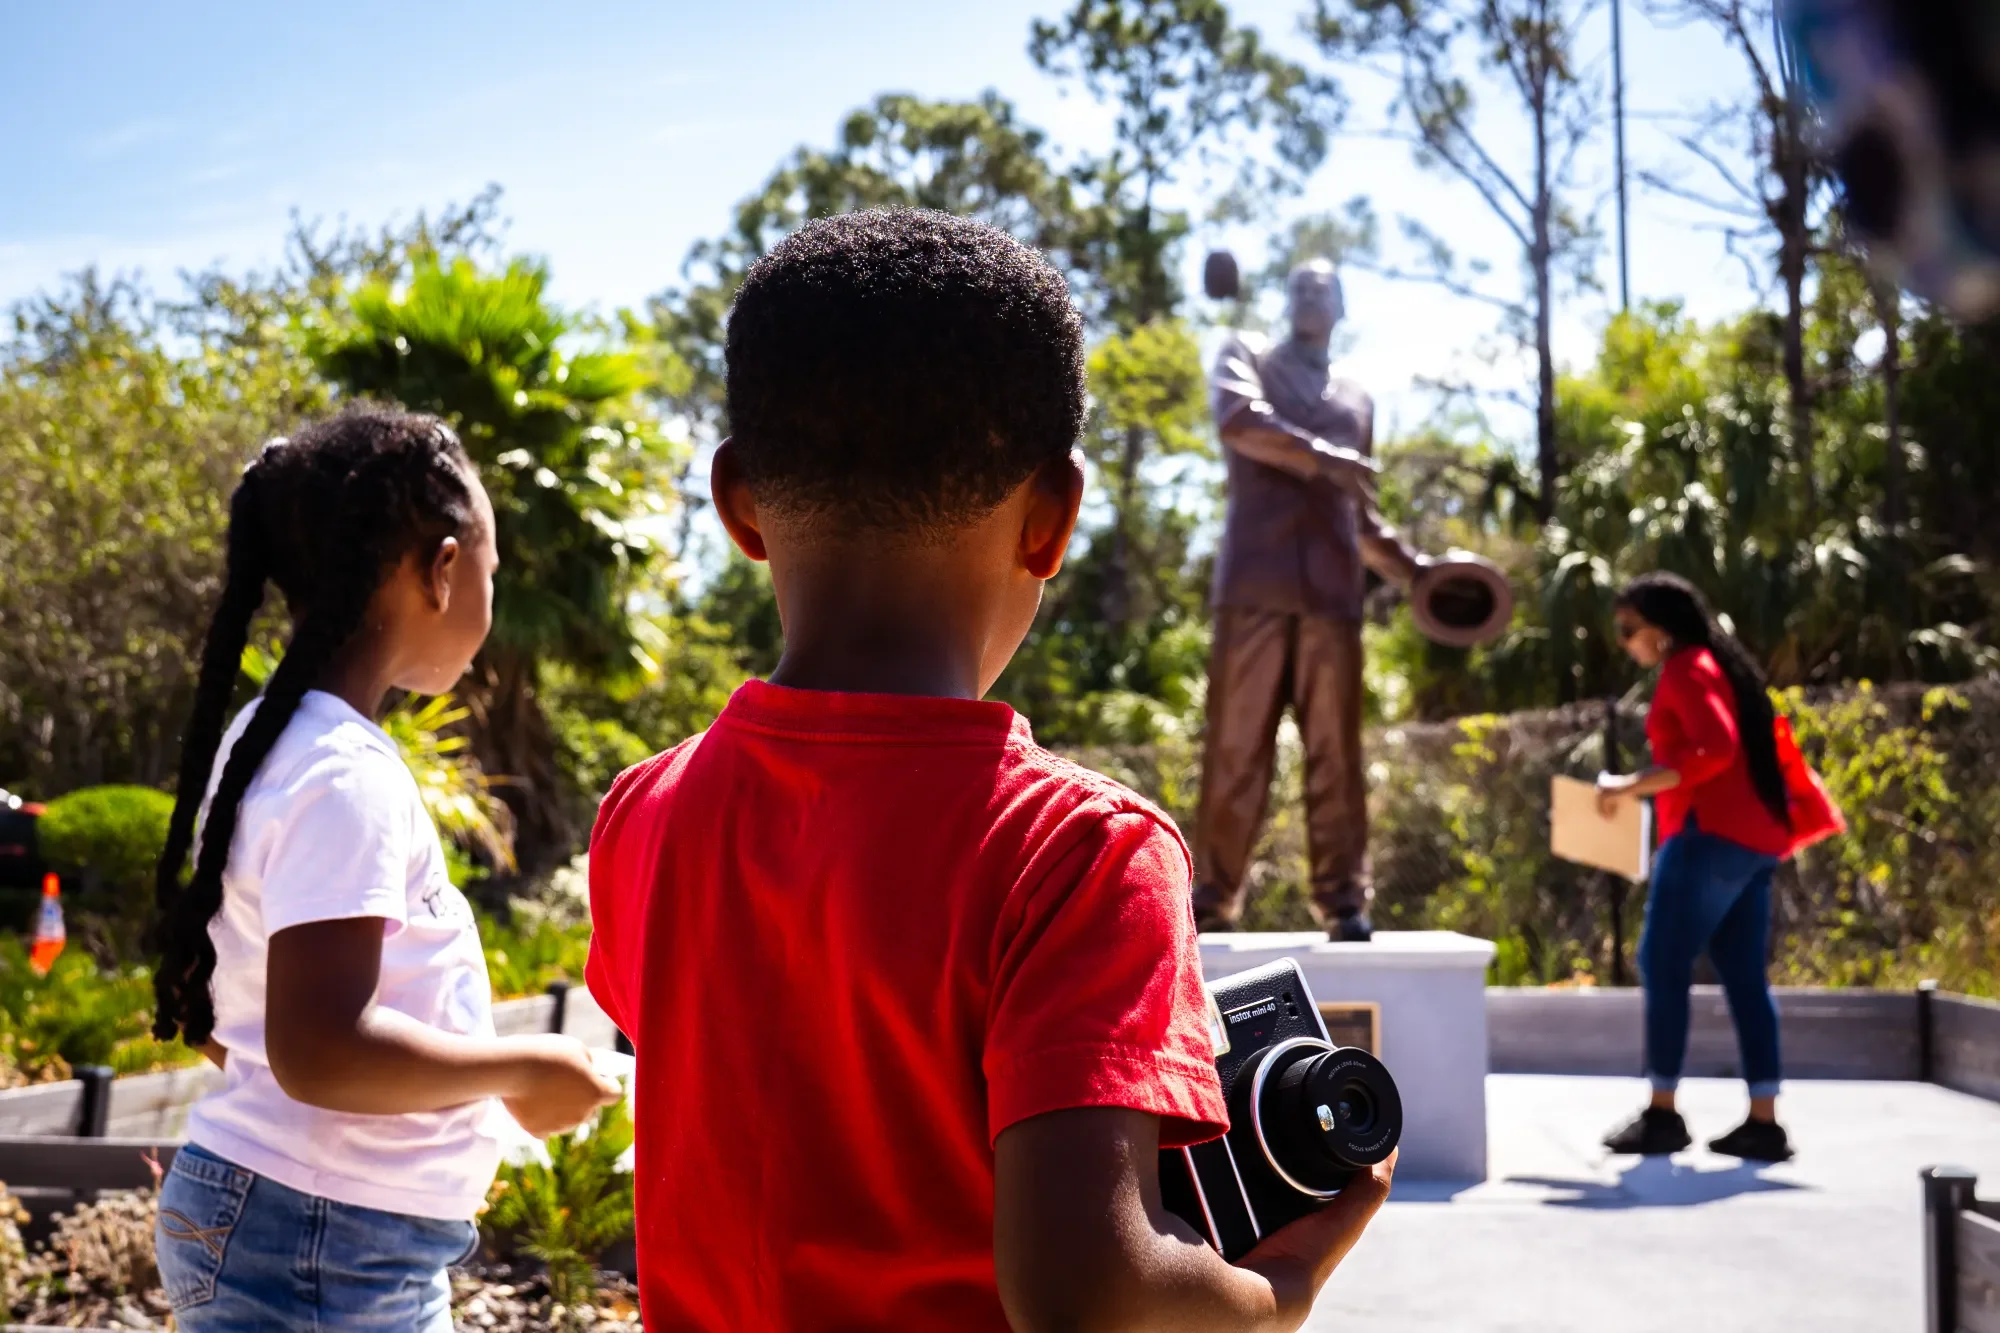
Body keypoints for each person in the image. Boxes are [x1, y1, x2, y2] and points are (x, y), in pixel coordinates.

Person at [586, 211, 1394, 1333]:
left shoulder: (641, 814)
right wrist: (1279, 1291)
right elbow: (1088, 1290)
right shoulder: (1081, 855)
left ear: (737, 509)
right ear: (1052, 520)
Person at [149, 407, 623, 1331]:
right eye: (494, 565)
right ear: (442, 570)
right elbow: (321, 1047)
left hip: (309, 1223)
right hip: (323, 1239)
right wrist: (522, 1067)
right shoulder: (342, 773)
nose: (495, 587)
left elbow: (247, 1022)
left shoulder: (274, 744)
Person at [1194, 259, 1433, 942]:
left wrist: (1417, 572)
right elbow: (1240, 421)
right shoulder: (1247, 354)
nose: (1307, 296)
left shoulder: (1358, 396)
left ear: (1341, 307)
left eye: (1321, 288)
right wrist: (1326, 457)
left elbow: (1360, 515)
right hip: (1255, 586)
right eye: (1298, 286)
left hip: (1333, 596)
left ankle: (1343, 899)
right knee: (1237, 747)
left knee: (1337, 752)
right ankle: (1212, 898)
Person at [1596, 573, 1843, 1164]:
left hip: (1707, 839)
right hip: (1755, 842)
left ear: (1659, 629)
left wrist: (1632, 786)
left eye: (1629, 630)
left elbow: (1714, 748)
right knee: (1743, 979)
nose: (1626, 642)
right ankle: (1764, 1122)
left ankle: (1662, 1114)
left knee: (1661, 962)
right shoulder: (1718, 666)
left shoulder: (1687, 668)